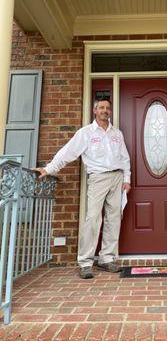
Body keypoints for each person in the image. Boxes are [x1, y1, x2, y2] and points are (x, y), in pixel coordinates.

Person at [34, 97, 131, 279]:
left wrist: (127, 179)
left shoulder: (117, 134)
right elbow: (67, 153)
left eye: (107, 108)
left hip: (117, 178)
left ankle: (106, 259)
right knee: (93, 219)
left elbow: (125, 158)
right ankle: (85, 262)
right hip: (98, 178)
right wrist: (48, 169)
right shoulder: (85, 133)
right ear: (94, 111)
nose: (105, 111)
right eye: (101, 107)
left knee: (114, 218)